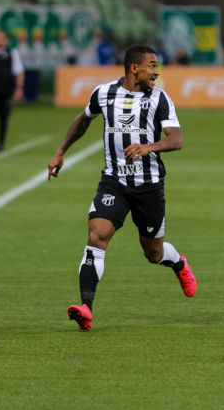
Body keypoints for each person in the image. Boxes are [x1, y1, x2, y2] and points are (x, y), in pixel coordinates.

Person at [47, 44, 196, 331]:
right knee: (96, 236)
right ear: (134, 68)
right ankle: (86, 308)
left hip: (149, 186)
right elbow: (83, 120)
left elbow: (176, 140)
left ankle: (177, 262)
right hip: (114, 182)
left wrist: (148, 147)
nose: (157, 71)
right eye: (152, 65)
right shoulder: (103, 93)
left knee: (153, 253)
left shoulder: (160, 99)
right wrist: (61, 150)